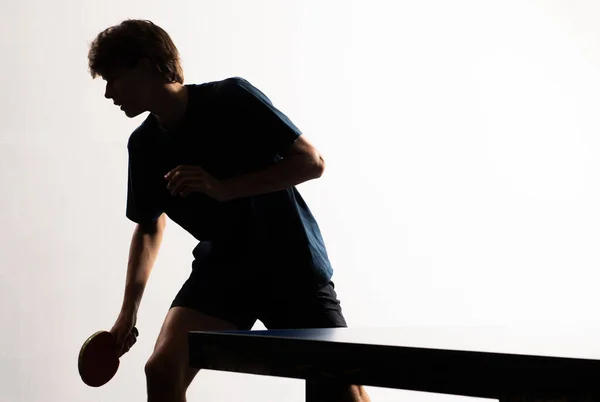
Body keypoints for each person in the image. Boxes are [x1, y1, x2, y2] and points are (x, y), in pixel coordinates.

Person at [87, 19, 371, 402]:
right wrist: (127, 313)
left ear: (147, 64)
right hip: (224, 272)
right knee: (162, 368)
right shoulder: (143, 145)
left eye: (113, 78)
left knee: (340, 394)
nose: (108, 93)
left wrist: (224, 189)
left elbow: (311, 161)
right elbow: (150, 226)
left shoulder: (232, 97)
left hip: (290, 265)